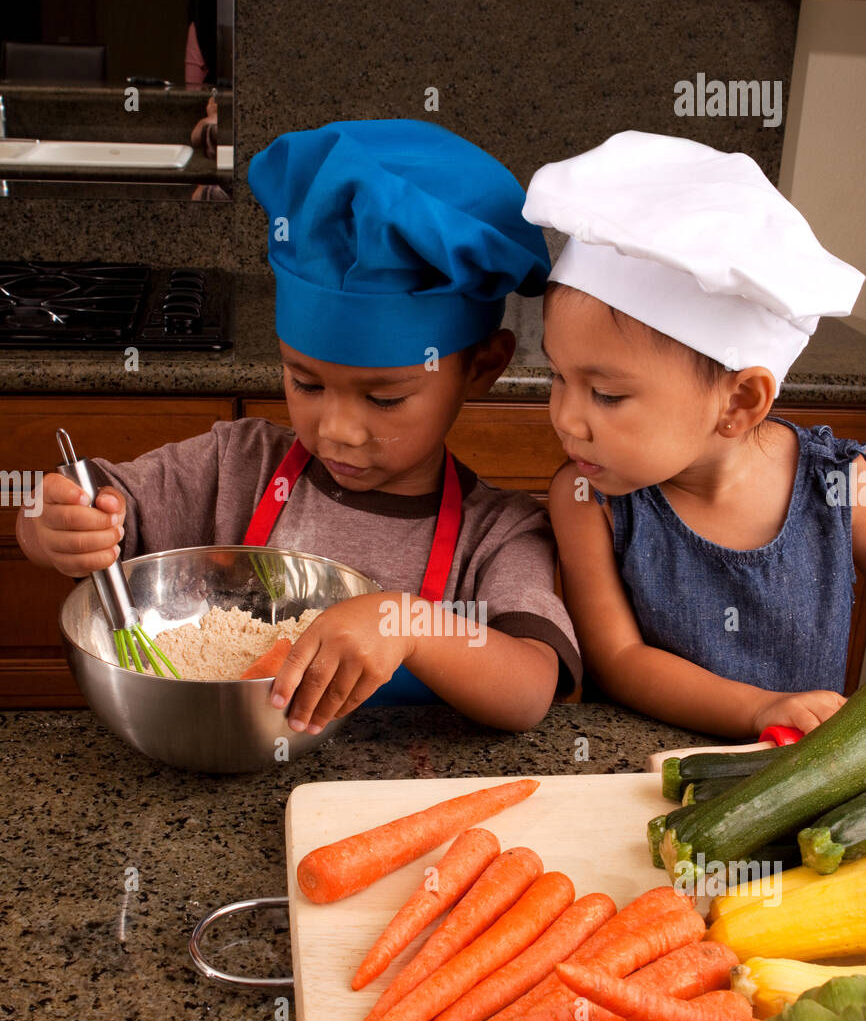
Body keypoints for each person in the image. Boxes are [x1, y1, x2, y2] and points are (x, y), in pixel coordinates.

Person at [17, 119, 580, 735]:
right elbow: (87, 504)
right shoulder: (237, 465)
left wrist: (406, 623)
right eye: (306, 383)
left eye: (385, 398)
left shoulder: (497, 533)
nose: (335, 430)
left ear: (484, 367)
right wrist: (52, 523)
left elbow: (529, 691)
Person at [524, 131, 866, 739]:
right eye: (557, 376)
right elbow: (620, 661)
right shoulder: (588, 501)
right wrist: (759, 710)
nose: (566, 419)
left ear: (739, 402)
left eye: (606, 395)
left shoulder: (840, 489)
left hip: (792, 791)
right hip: (631, 780)